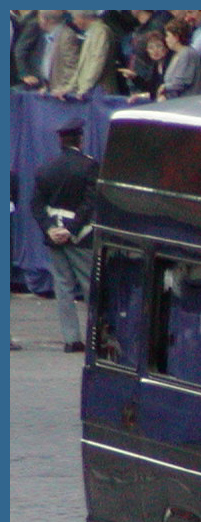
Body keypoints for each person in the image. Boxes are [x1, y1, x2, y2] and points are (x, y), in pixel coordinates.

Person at [29, 119, 98, 353]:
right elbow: (90, 203)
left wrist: (50, 228)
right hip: (81, 235)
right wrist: (72, 229)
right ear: (80, 139)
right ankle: (96, 339)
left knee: (63, 288)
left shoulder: (46, 167)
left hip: (54, 235)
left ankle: (71, 339)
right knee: (90, 287)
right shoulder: (89, 166)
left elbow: (36, 205)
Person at [53, 10, 119, 100]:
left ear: (82, 17)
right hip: (88, 91)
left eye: (75, 18)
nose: (74, 22)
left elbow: (97, 62)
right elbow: (81, 68)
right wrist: (69, 88)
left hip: (98, 92)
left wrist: (85, 88)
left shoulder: (100, 32)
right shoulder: (91, 33)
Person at [119, 30, 171, 103]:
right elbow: (151, 89)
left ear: (166, 47)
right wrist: (134, 77)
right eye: (151, 48)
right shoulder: (155, 65)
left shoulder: (170, 63)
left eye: (159, 46)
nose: (155, 51)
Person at [158, 18, 201, 100]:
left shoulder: (187, 54)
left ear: (176, 37)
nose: (166, 39)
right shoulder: (176, 55)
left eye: (168, 36)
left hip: (188, 104)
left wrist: (165, 87)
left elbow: (183, 81)